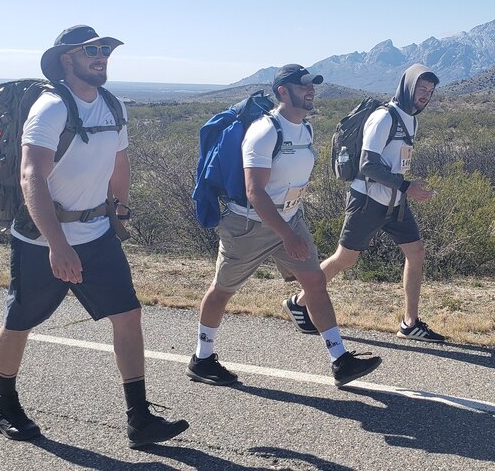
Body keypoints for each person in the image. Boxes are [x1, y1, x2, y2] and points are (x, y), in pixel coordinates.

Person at [0, 25, 188, 448]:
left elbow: (119, 161)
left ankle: (139, 419)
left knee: (128, 315)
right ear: (67, 59)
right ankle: (4, 404)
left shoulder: (111, 105)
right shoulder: (51, 108)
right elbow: (31, 177)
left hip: (97, 235)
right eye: (91, 51)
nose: (101, 57)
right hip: (42, 242)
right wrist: (58, 246)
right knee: (20, 322)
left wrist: (119, 207)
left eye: (105, 51)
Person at [186, 64, 381, 388]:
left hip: (290, 218)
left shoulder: (305, 130)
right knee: (222, 291)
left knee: (315, 282)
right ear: (282, 92)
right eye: (303, 86)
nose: (311, 91)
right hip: (249, 226)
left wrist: (291, 225)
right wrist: (287, 235)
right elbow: (254, 191)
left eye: (312, 86)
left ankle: (340, 361)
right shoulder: (264, 132)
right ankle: (202, 358)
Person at [286, 64, 445, 342]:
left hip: (394, 201)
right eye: (421, 89)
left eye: (429, 92)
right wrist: (408, 186)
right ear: (407, 86)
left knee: (416, 252)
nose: (425, 96)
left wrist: (403, 189)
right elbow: (368, 165)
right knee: (345, 259)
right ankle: (298, 302)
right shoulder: (384, 118)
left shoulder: (411, 119)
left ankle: (410, 323)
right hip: (368, 200)